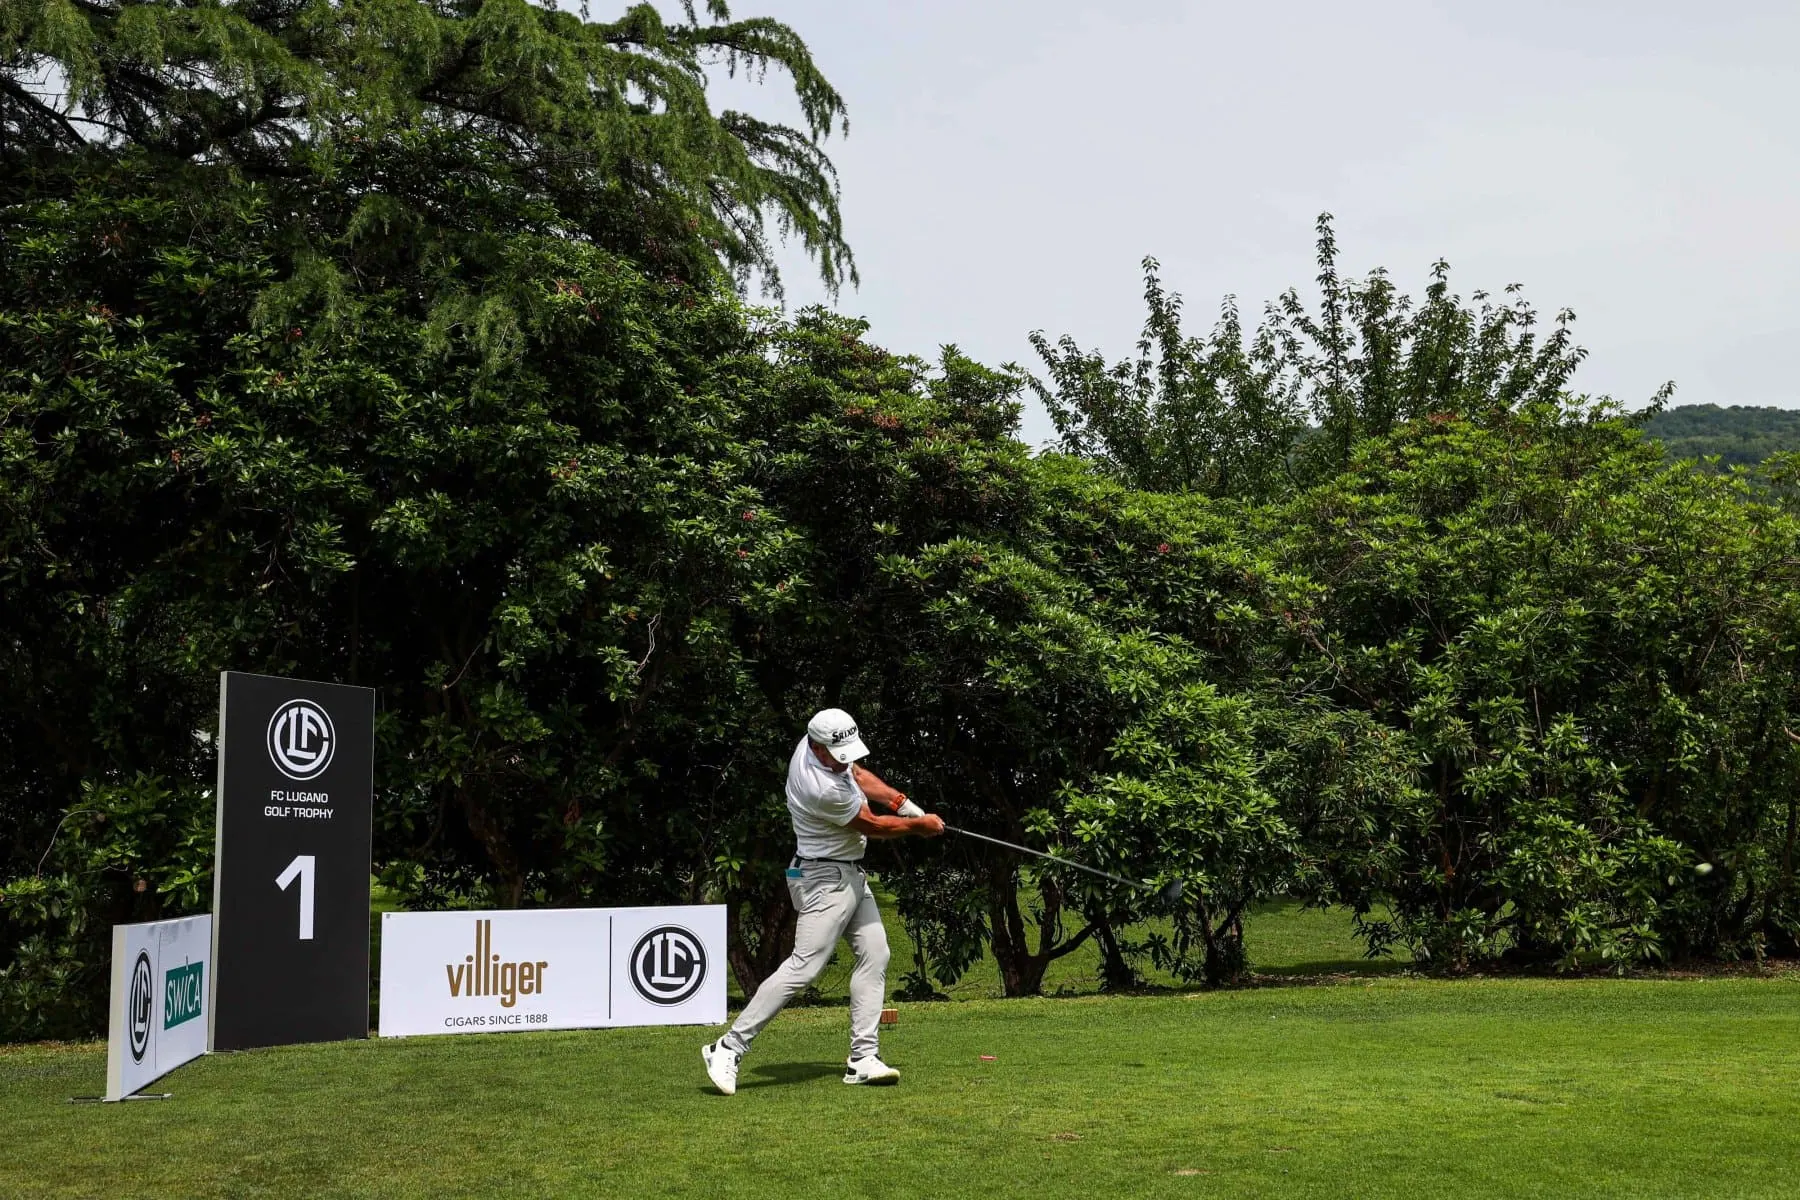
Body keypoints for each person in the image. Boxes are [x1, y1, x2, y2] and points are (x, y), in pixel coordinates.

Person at [702, 708, 944, 1095]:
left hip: (847, 874)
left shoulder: (823, 747)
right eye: (838, 752)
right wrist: (920, 825)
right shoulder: (819, 787)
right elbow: (873, 826)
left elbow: (859, 775)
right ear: (816, 747)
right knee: (804, 967)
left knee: (876, 954)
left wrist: (902, 802)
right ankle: (727, 1047)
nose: (845, 758)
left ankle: (862, 1059)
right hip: (823, 879)